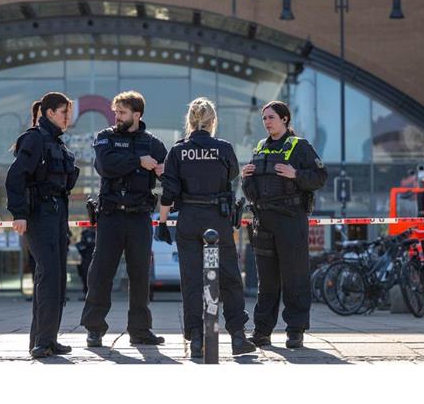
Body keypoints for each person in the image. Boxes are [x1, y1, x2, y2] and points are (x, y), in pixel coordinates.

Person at [158, 97, 256, 359]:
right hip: (217, 218)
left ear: (190, 121)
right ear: (213, 121)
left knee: (191, 280)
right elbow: (232, 177)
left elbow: (168, 192)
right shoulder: (224, 148)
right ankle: (237, 337)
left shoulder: (178, 151)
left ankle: (196, 339)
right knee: (229, 277)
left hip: (189, 218)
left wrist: (163, 223)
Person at [80, 91, 168, 347]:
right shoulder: (105, 137)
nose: (116, 117)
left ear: (137, 114)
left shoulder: (153, 144)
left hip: (139, 217)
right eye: (116, 112)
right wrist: (139, 161)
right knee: (101, 273)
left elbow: (169, 175)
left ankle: (140, 330)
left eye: (122, 112)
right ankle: (94, 329)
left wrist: (163, 171)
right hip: (110, 216)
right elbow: (106, 166)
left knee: (140, 275)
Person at [241, 100, 328, 349]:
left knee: (294, 277)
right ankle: (261, 332)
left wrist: (296, 175)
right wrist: (246, 178)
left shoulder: (300, 147)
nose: (266, 122)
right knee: (266, 281)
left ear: (284, 119)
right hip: (263, 221)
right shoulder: (260, 148)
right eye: (264, 118)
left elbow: (320, 177)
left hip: (290, 219)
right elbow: (251, 191)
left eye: (271, 117)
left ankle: (295, 331)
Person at [6, 92, 80, 359]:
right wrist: (19, 214)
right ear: (49, 113)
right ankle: (42, 342)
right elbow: (15, 176)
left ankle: (47, 338)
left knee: (56, 278)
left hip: (57, 215)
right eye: (63, 112)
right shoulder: (35, 139)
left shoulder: (56, 142)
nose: (68, 117)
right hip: (39, 215)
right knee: (49, 275)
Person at [75, 228, 96, 299]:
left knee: (94, 277)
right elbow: (80, 246)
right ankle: (87, 294)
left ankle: (93, 295)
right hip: (86, 259)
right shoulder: (85, 234)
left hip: (94, 259)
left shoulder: (99, 233)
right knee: (85, 276)